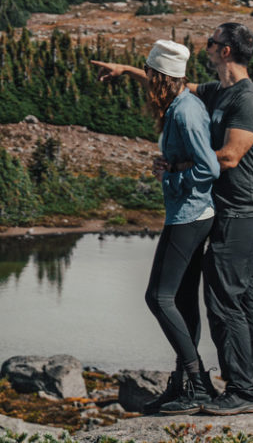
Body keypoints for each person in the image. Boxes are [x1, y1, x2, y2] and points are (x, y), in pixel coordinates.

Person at [89, 38, 220, 414]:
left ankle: (196, 383)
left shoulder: (185, 113)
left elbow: (208, 167)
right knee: (181, 300)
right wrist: (125, 70)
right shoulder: (180, 99)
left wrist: (174, 169)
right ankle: (183, 384)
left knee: (157, 297)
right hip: (191, 213)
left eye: (149, 74)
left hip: (189, 216)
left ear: (162, 77)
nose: (146, 80)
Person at [190, 21, 253, 414]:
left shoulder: (248, 99)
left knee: (223, 300)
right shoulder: (219, 92)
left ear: (225, 51)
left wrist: (177, 165)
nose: (205, 46)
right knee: (244, 296)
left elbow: (229, 157)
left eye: (210, 42)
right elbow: (180, 89)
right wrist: (129, 72)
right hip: (239, 212)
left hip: (244, 214)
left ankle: (242, 390)